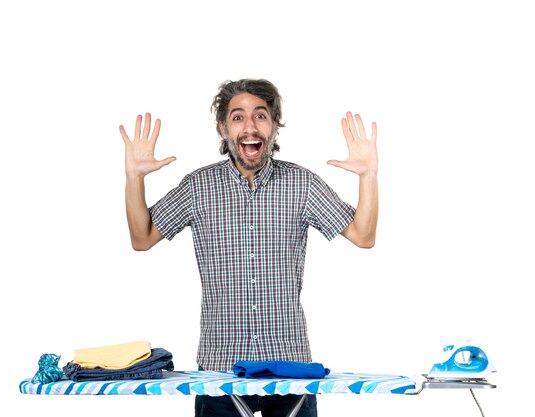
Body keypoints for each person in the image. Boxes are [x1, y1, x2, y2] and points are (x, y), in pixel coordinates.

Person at [119, 79, 378, 417]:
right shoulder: (199, 186)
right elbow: (143, 238)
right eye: (238, 117)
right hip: (220, 367)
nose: (250, 126)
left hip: (290, 368)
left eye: (261, 115)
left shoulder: (302, 184)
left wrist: (368, 175)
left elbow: (363, 235)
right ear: (223, 128)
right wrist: (134, 177)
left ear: (273, 126)